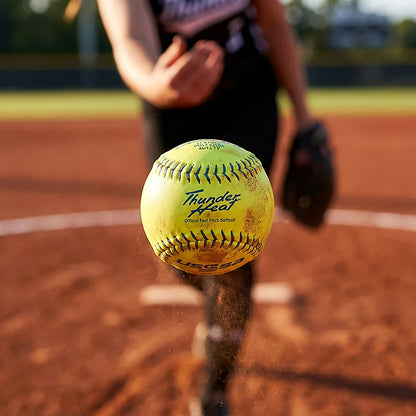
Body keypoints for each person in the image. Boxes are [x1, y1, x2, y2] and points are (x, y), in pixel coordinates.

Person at [97, 0, 316, 415]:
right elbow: (129, 38)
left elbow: (273, 22)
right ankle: (213, 296)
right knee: (183, 255)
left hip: (247, 97)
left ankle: (214, 390)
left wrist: (305, 119)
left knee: (233, 258)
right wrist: (155, 84)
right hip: (171, 97)